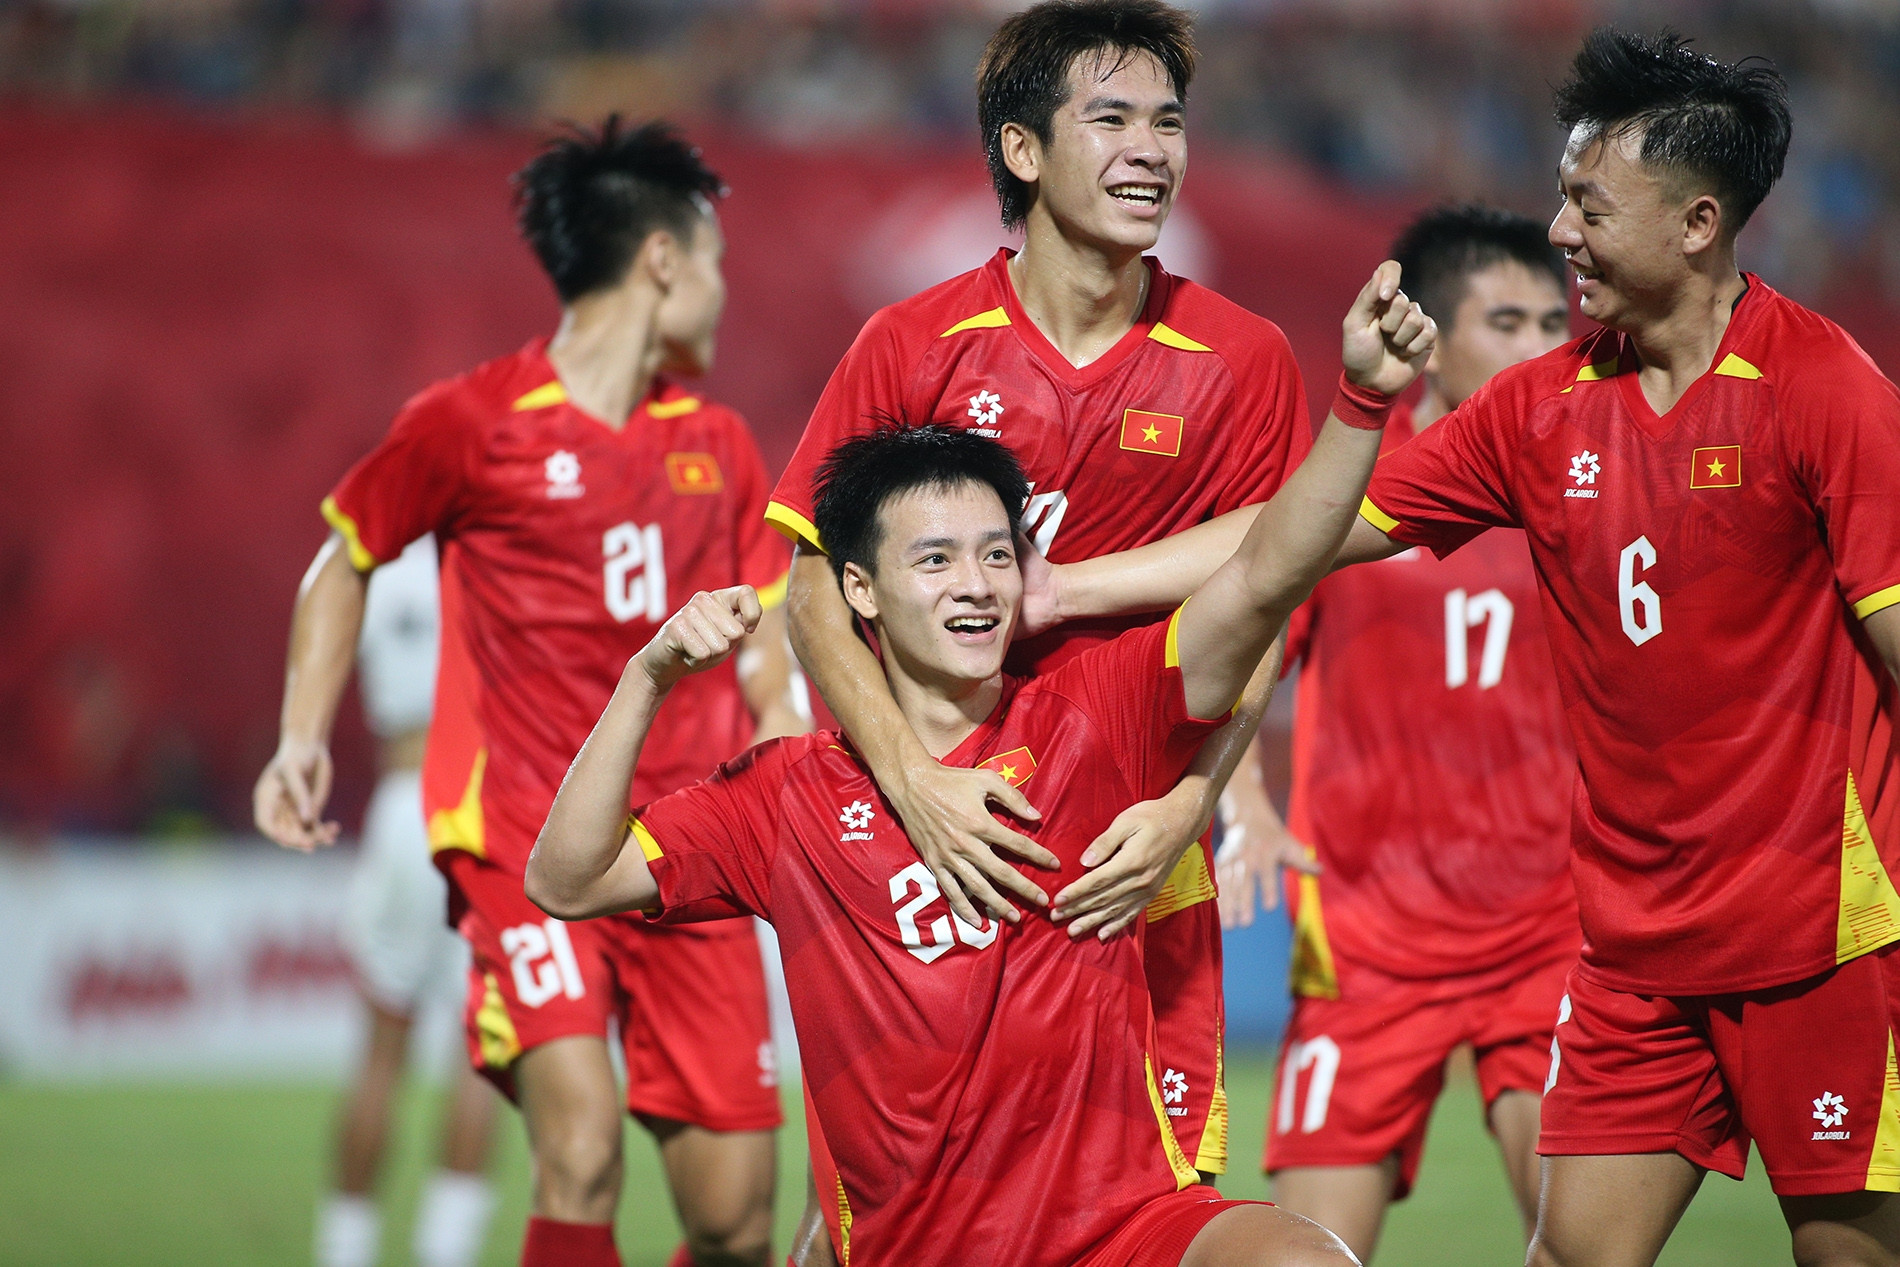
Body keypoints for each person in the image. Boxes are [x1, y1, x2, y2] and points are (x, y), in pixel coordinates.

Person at [1015, 29, 1900, 1267]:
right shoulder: (1539, 408)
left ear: (1698, 222)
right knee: (1576, 1254)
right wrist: (1062, 589)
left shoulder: (1825, 391)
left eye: (1590, 205)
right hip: (1630, 952)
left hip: (1818, 937)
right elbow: (1295, 539)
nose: (1560, 229)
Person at [524, 257, 1434, 1265]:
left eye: (997, 554)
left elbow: (1269, 565)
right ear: (860, 591)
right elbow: (564, 879)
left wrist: (1359, 401)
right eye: (936, 559)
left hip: (1118, 1231)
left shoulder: (1100, 718)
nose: (976, 584)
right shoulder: (789, 796)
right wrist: (646, 679)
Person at [768, 0, 1312, 1200]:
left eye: (1168, 122)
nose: (1150, 150)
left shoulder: (1242, 358)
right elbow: (810, 594)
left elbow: (1262, 605)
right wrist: (910, 784)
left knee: (1144, 1210)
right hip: (937, 845)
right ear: (1022, 149)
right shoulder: (912, 344)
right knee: (901, 1206)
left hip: (1128, 847)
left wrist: (1188, 803)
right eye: (1108, 117)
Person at [254, 119, 805, 1267]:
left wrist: (781, 717)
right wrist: (301, 735)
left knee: (735, 1219)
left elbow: (764, 624)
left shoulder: (720, 444)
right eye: (711, 262)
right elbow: (341, 559)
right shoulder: (469, 424)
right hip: (522, 850)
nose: (719, 292)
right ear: (661, 260)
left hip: (687, 855)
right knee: (582, 1147)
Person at [1211, 206, 1577, 1262]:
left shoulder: (1585, 482)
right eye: (1505, 319)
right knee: (1309, 1252)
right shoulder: (1350, 487)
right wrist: (1246, 806)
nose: (1539, 345)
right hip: (1367, 940)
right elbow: (1248, 640)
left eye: (1553, 318)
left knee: (1588, 1245)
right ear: (1428, 332)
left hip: (1548, 929)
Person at [317, 534, 500, 1267]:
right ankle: (444, 1251)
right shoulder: (500, 551)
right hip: (479, 804)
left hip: (401, 800)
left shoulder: (374, 558)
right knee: (480, 1054)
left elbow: (323, 626)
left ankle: (344, 1248)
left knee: (379, 1051)